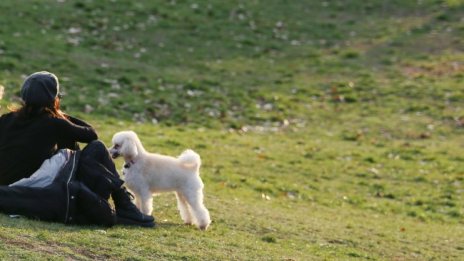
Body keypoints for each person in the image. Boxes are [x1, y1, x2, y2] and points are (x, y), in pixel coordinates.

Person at [0, 71, 154, 227]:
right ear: (53, 98)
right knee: (98, 148)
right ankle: (124, 205)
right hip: (36, 184)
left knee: (69, 144)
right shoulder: (53, 122)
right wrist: (59, 114)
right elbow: (92, 135)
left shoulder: (6, 119)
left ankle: (121, 203)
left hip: (8, 186)